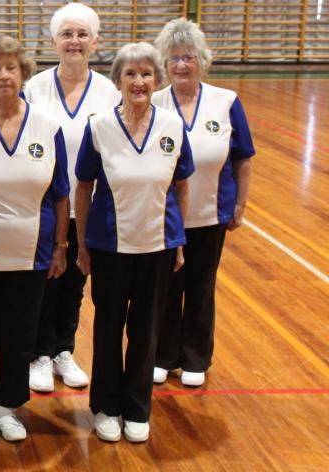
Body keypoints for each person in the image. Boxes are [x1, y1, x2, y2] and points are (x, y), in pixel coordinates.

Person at [75, 42, 194, 443]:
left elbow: (182, 185)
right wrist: (81, 245)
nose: (139, 81)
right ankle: (106, 407)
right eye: (130, 73)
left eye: (146, 73)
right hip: (110, 248)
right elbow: (83, 187)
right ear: (118, 81)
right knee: (108, 329)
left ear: (156, 80)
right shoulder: (98, 126)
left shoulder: (174, 127)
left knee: (147, 332)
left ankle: (138, 407)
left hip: (158, 247)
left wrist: (178, 241)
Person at [0, 36, 69, 444]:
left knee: (21, 334)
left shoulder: (48, 127)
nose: (4, 75)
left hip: (33, 252)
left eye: (11, 68)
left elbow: (61, 194)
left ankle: (9, 407)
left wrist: (60, 248)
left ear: (24, 73)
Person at [151, 19, 255, 388]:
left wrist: (240, 206)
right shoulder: (153, 102)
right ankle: (162, 355)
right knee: (165, 288)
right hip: (165, 218)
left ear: (202, 61)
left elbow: (242, 158)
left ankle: (196, 356)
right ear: (165, 63)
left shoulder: (226, 102)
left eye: (189, 57)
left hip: (212, 214)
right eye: (174, 58)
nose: (181, 65)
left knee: (201, 285)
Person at [23, 2, 120, 393]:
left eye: (82, 34)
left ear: (95, 42)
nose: (74, 41)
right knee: (45, 279)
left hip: (88, 206)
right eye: (67, 34)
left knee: (76, 279)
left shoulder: (109, 92)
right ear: (53, 41)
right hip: (44, 205)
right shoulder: (35, 88)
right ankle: (39, 353)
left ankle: (64, 349)